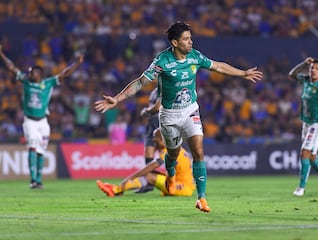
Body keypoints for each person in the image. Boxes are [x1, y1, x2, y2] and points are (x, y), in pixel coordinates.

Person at [95, 21, 263, 212]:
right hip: (169, 116)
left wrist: (243, 73)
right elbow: (141, 82)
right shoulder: (162, 62)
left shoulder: (195, 56)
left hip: (190, 110)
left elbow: (218, 66)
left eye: (190, 38)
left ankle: (202, 198)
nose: (190, 42)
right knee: (173, 154)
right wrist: (116, 99)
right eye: (186, 39)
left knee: (198, 150)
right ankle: (170, 169)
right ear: (175, 43)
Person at [0, 45, 83, 189]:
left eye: (32, 72)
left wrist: (77, 63)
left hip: (43, 123)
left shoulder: (47, 83)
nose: (30, 74)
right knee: (32, 147)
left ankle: (39, 180)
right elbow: (11, 68)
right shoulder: (25, 81)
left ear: (39, 74)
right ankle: (33, 180)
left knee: (40, 151)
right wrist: (1, 54)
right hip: (30, 121)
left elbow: (65, 74)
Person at [96, 128, 195, 197]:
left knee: (149, 176)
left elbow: (151, 167)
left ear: (163, 140)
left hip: (183, 188)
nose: (153, 140)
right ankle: (118, 189)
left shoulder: (169, 151)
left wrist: (130, 178)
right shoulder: (174, 147)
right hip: (181, 184)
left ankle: (115, 189)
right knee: (151, 174)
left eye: (156, 139)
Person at [289, 57, 318, 196]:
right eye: (311, 68)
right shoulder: (306, 80)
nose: (313, 70)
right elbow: (291, 74)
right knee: (311, 156)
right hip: (307, 123)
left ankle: (301, 188)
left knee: (304, 152)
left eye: (316, 69)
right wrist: (304, 63)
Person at [135, 87, 161, 193]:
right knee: (148, 155)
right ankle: (149, 183)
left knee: (169, 154)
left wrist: (146, 111)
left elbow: (158, 107)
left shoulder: (165, 88)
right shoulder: (154, 91)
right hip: (151, 123)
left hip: (160, 123)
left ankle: (177, 179)